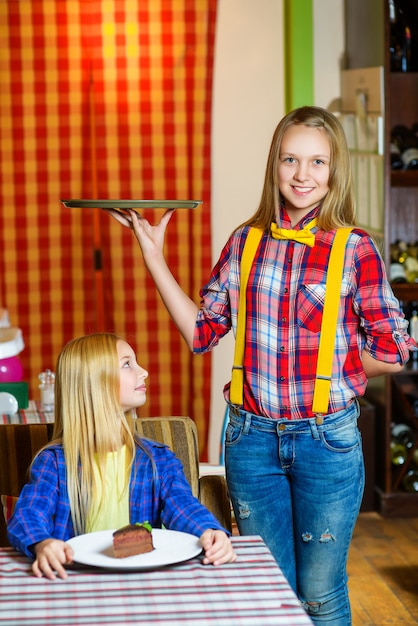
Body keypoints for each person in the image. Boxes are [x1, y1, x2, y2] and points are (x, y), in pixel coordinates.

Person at [107, 106, 416, 625]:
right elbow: (202, 333)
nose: (302, 174)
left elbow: (393, 349)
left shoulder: (354, 248)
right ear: (274, 164)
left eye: (318, 162)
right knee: (267, 591)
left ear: (334, 171)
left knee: (319, 593)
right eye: (290, 159)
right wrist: (153, 255)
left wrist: (336, 365)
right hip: (250, 440)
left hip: (327, 443)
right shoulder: (244, 242)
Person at [8, 333, 236, 580]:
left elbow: (183, 506)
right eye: (127, 364)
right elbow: (29, 514)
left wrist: (210, 531)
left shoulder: (158, 460)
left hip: (142, 579)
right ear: (93, 382)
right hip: (73, 580)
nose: (144, 371)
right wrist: (42, 543)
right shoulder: (53, 463)